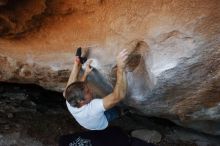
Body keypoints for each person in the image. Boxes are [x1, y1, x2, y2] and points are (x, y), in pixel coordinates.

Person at [63, 47, 129, 130]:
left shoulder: (69, 98)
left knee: (68, 92)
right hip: (100, 124)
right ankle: (121, 112)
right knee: (113, 112)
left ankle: (77, 63)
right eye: (88, 92)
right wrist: (120, 68)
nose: (91, 90)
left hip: (87, 120)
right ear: (81, 101)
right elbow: (118, 96)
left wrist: (82, 70)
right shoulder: (92, 108)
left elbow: (76, 85)